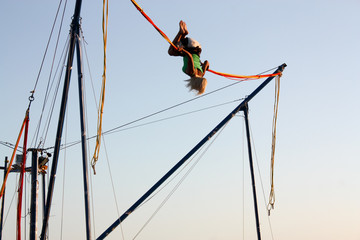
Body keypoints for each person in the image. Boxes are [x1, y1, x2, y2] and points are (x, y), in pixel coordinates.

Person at [168, 21, 209, 95]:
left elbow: (207, 62)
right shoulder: (191, 72)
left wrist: (205, 66)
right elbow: (189, 57)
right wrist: (182, 50)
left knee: (175, 52)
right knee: (171, 51)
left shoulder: (202, 74)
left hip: (197, 48)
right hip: (190, 46)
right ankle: (181, 32)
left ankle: (183, 34)